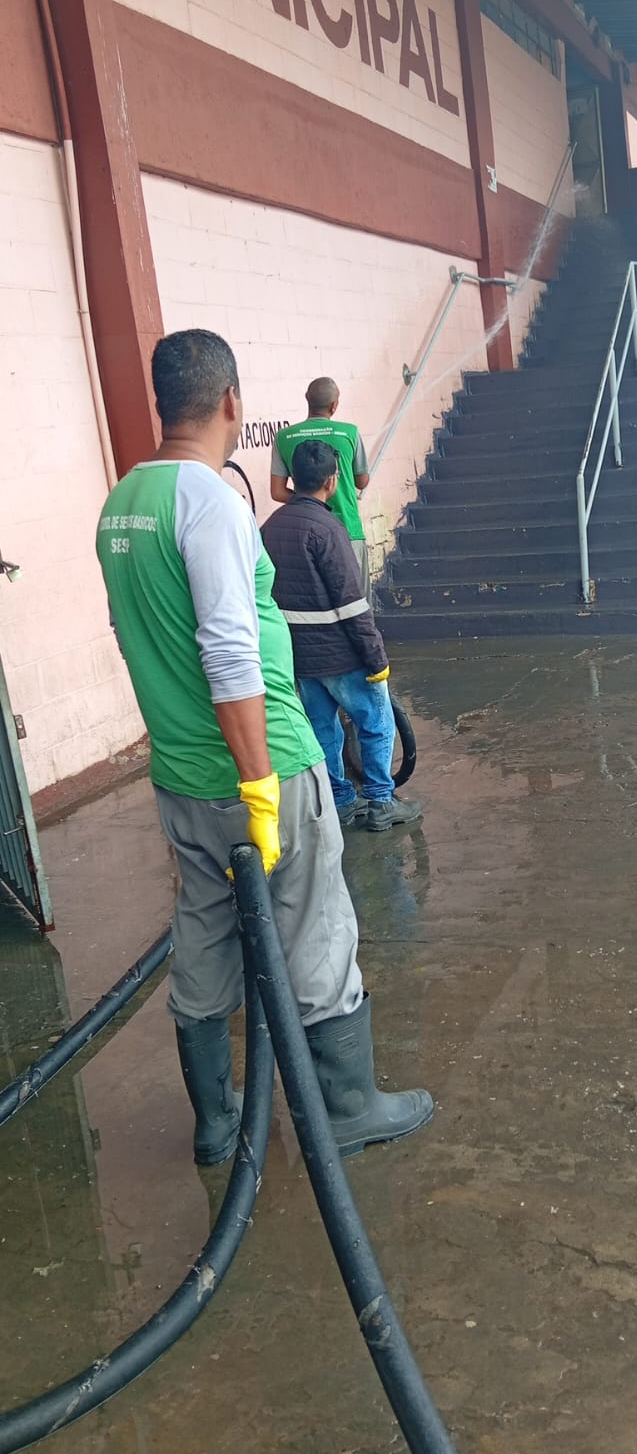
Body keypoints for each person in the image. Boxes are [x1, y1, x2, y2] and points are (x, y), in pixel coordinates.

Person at [96, 330, 432, 1167]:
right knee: (315, 926)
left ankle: (217, 1121)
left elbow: (135, 637)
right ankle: (346, 1107)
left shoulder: (121, 502)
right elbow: (228, 651)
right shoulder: (209, 502)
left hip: (181, 777)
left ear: (161, 402)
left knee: (205, 928)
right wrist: (258, 783)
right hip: (265, 765)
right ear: (230, 402)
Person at [262, 441, 422, 834]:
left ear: (294, 478)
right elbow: (351, 603)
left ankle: (341, 800)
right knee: (376, 723)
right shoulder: (328, 528)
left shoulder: (270, 528)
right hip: (341, 655)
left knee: (323, 729)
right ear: (332, 482)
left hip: (301, 658)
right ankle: (381, 801)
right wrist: (375, 655)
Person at [270, 378, 371, 599]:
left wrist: (309, 501)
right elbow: (362, 482)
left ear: (307, 398)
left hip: (302, 533)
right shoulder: (349, 433)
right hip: (348, 531)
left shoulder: (284, 437)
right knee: (356, 602)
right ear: (334, 405)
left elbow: (277, 492)